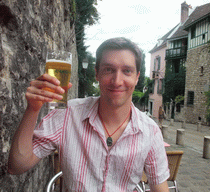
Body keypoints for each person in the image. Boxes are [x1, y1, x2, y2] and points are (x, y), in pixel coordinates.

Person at [8, 37, 170, 191]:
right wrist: (33, 109)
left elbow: (160, 188)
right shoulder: (67, 115)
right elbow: (17, 165)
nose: (117, 81)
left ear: (137, 78)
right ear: (97, 74)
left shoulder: (150, 131)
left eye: (127, 71)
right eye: (108, 69)